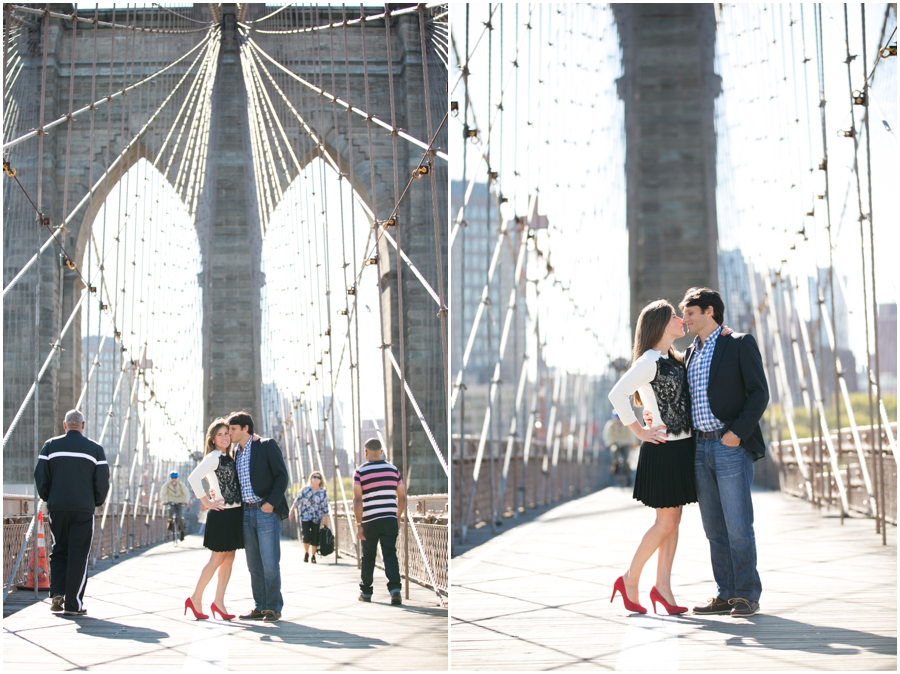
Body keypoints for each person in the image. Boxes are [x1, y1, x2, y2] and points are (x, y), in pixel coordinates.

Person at [680, 287, 768, 618]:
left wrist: (736, 433)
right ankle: (725, 593)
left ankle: (747, 594)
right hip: (699, 446)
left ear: (710, 312)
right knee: (714, 528)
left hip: (728, 444)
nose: (684, 318)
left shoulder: (739, 343)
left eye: (689, 312)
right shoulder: (690, 353)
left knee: (738, 525)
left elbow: (759, 394)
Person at [607, 300, 696, 615]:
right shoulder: (648, 361)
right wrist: (638, 431)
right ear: (660, 324)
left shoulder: (673, 357)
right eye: (674, 315)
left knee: (673, 522)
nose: (680, 318)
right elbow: (616, 394)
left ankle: (663, 588)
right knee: (665, 521)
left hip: (682, 447)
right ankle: (630, 579)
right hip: (663, 449)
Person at [34, 409, 110, 617]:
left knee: (59, 549)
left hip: (58, 507)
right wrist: (95, 501)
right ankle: (73, 604)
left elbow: (40, 475)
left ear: (64, 424)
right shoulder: (95, 449)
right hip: (83, 509)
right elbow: (102, 481)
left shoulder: (50, 446)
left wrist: (50, 496)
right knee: (78, 554)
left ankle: (57, 593)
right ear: (83, 425)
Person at [228, 411, 289, 623]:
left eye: (233, 429)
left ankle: (273, 607)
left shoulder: (266, 445)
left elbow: (282, 476)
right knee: (254, 565)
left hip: (265, 512)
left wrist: (270, 504)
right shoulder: (236, 452)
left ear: (245, 428)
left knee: (270, 563)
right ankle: (260, 606)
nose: (230, 433)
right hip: (245, 512)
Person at [183, 419, 244, 620]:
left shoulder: (230, 456)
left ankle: (218, 603)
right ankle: (195, 598)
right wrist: (206, 502)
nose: (225, 437)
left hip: (235, 512)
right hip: (222, 513)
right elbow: (193, 477)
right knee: (217, 559)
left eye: (227, 433)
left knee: (229, 558)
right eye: (220, 435)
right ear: (213, 439)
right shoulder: (213, 457)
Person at [353, 438, 406, 606]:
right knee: (390, 554)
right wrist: (397, 517)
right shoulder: (393, 470)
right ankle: (395, 590)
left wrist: (359, 524)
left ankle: (366, 592)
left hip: (369, 520)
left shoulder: (360, 472)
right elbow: (402, 497)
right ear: (381, 452)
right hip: (389, 518)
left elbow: (357, 500)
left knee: (368, 556)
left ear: (365, 452)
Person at [288, 471, 330, 564]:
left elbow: (325, 506)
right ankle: (306, 552)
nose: (316, 478)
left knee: (315, 536)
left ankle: (313, 556)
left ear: (320, 480)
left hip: (316, 517)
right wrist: (291, 510)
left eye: (318, 477)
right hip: (305, 516)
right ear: (311, 478)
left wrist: (325, 519)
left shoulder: (323, 492)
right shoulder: (305, 489)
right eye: (314, 476)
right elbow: (297, 500)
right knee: (306, 535)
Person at [603, 412, 637, 486]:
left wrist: (632, 443)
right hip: (615, 442)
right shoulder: (611, 424)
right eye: (617, 418)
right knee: (614, 450)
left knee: (626, 461)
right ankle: (615, 464)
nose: (619, 420)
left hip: (625, 444)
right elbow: (607, 434)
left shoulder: (627, 424)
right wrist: (608, 442)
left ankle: (628, 476)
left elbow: (632, 434)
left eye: (620, 418)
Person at [160, 471, 190, 541]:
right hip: (170, 502)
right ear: (170, 478)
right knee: (170, 509)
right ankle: (170, 521)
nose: (174, 479)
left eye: (175, 477)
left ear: (177, 478)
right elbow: (163, 493)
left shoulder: (181, 485)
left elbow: (187, 493)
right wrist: (163, 501)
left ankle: (182, 531)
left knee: (180, 517)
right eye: (172, 477)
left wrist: (186, 501)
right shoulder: (166, 485)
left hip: (179, 503)